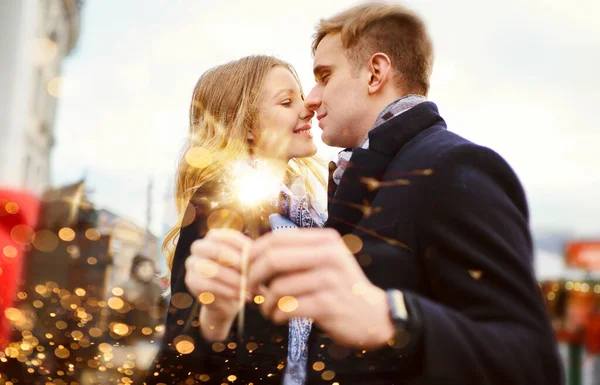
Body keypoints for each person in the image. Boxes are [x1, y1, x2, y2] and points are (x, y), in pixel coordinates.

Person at [239, 3, 562, 385]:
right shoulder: (367, 174)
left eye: (324, 76)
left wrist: (394, 317)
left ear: (376, 73)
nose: (312, 97)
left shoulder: (452, 167)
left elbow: (531, 360)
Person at [148, 55, 327, 384]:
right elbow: (179, 354)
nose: (308, 107)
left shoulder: (309, 212)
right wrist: (215, 317)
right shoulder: (221, 202)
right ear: (245, 125)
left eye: (301, 96)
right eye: (287, 101)